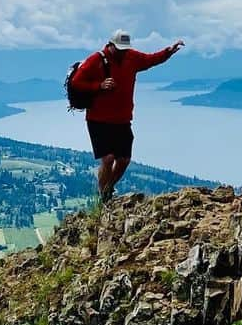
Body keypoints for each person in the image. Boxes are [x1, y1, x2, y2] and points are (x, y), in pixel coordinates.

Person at [68, 30, 184, 202]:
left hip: (122, 119)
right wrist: (98, 86)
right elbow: (76, 82)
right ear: (110, 45)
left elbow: (151, 59)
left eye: (124, 49)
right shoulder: (96, 60)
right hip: (98, 119)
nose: (122, 52)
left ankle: (108, 188)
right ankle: (104, 197)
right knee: (107, 159)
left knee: (123, 159)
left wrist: (168, 52)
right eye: (119, 49)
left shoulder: (131, 57)